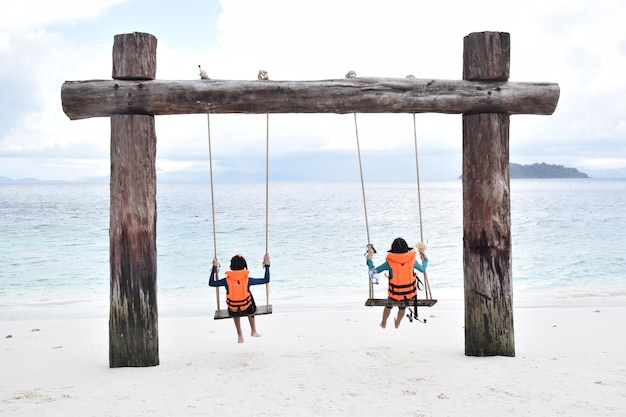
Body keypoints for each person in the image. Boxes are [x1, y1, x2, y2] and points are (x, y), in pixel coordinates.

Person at [366, 237, 428, 329]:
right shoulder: (412, 260)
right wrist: (425, 258)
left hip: (394, 295)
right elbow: (423, 269)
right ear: (407, 249)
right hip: (409, 295)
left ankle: (383, 322)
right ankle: (397, 322)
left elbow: (374, 272)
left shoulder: (389, 263)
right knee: (402, 307)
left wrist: (369, 259)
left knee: (388, 305)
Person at [209, 253, 270, 343]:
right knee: (249, 297)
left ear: (230, 267)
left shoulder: (226, 280)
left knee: (234, 305)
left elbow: (211, 283)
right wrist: (267, 265)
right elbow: (266, 280)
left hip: (233, 311)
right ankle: (253, 330)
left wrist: (214, 268)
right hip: (248, 309)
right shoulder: (248, 280)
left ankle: (239, 334)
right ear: (244, 267)